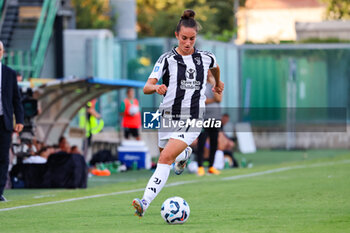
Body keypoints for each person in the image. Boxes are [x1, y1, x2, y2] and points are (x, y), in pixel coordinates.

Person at [132, 9, 224, 217]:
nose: (188, 42)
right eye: (184, 38)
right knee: (164, 154)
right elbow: (147, 86)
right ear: (177, 36)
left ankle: (144, 203)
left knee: (164, 158)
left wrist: (217, 83)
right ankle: (184, 154)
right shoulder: (166, 60)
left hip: (192, 117)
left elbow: (216, 67)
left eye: (192, 38)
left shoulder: (206, 58)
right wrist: (156, 88)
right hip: (167, 116)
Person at [0, 41, 24, 202]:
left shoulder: (9, 73)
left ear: (2, 52)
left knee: (3, 158)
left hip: (4, 122)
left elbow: (17, 99)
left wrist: (20, 120)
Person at [196, 70, 222, 176]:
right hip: (203, 118)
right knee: (201, 142)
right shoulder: (199, 84)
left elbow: (218, 99)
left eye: (210, 71)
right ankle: (200, 167)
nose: (208, 73)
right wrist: (211, 100)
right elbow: (201, 100)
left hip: (215, 118)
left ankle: (211, 166)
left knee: (214, 142)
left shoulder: (216, 84)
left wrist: (214, 85)